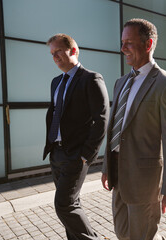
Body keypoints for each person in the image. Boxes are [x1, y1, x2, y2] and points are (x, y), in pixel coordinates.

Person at [101, 19, 166, 240]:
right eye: (122, 42)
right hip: (119, 176)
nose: (122, 49)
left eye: (128, 42)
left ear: (148, 45)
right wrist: (106, 166)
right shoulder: (121, 82)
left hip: (145, 181)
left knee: (143, 236)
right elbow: (115, 128)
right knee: (123, 234)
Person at [43, 33, 109, 240]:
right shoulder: (56, 82)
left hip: (76, 155)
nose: (55, 57)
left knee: (64, 204)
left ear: (73, 50)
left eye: (58, 51)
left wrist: (86, 155)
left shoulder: (91, 78)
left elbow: (102, 119)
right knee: (72, 204)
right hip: (57, 153)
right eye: (52, 53)